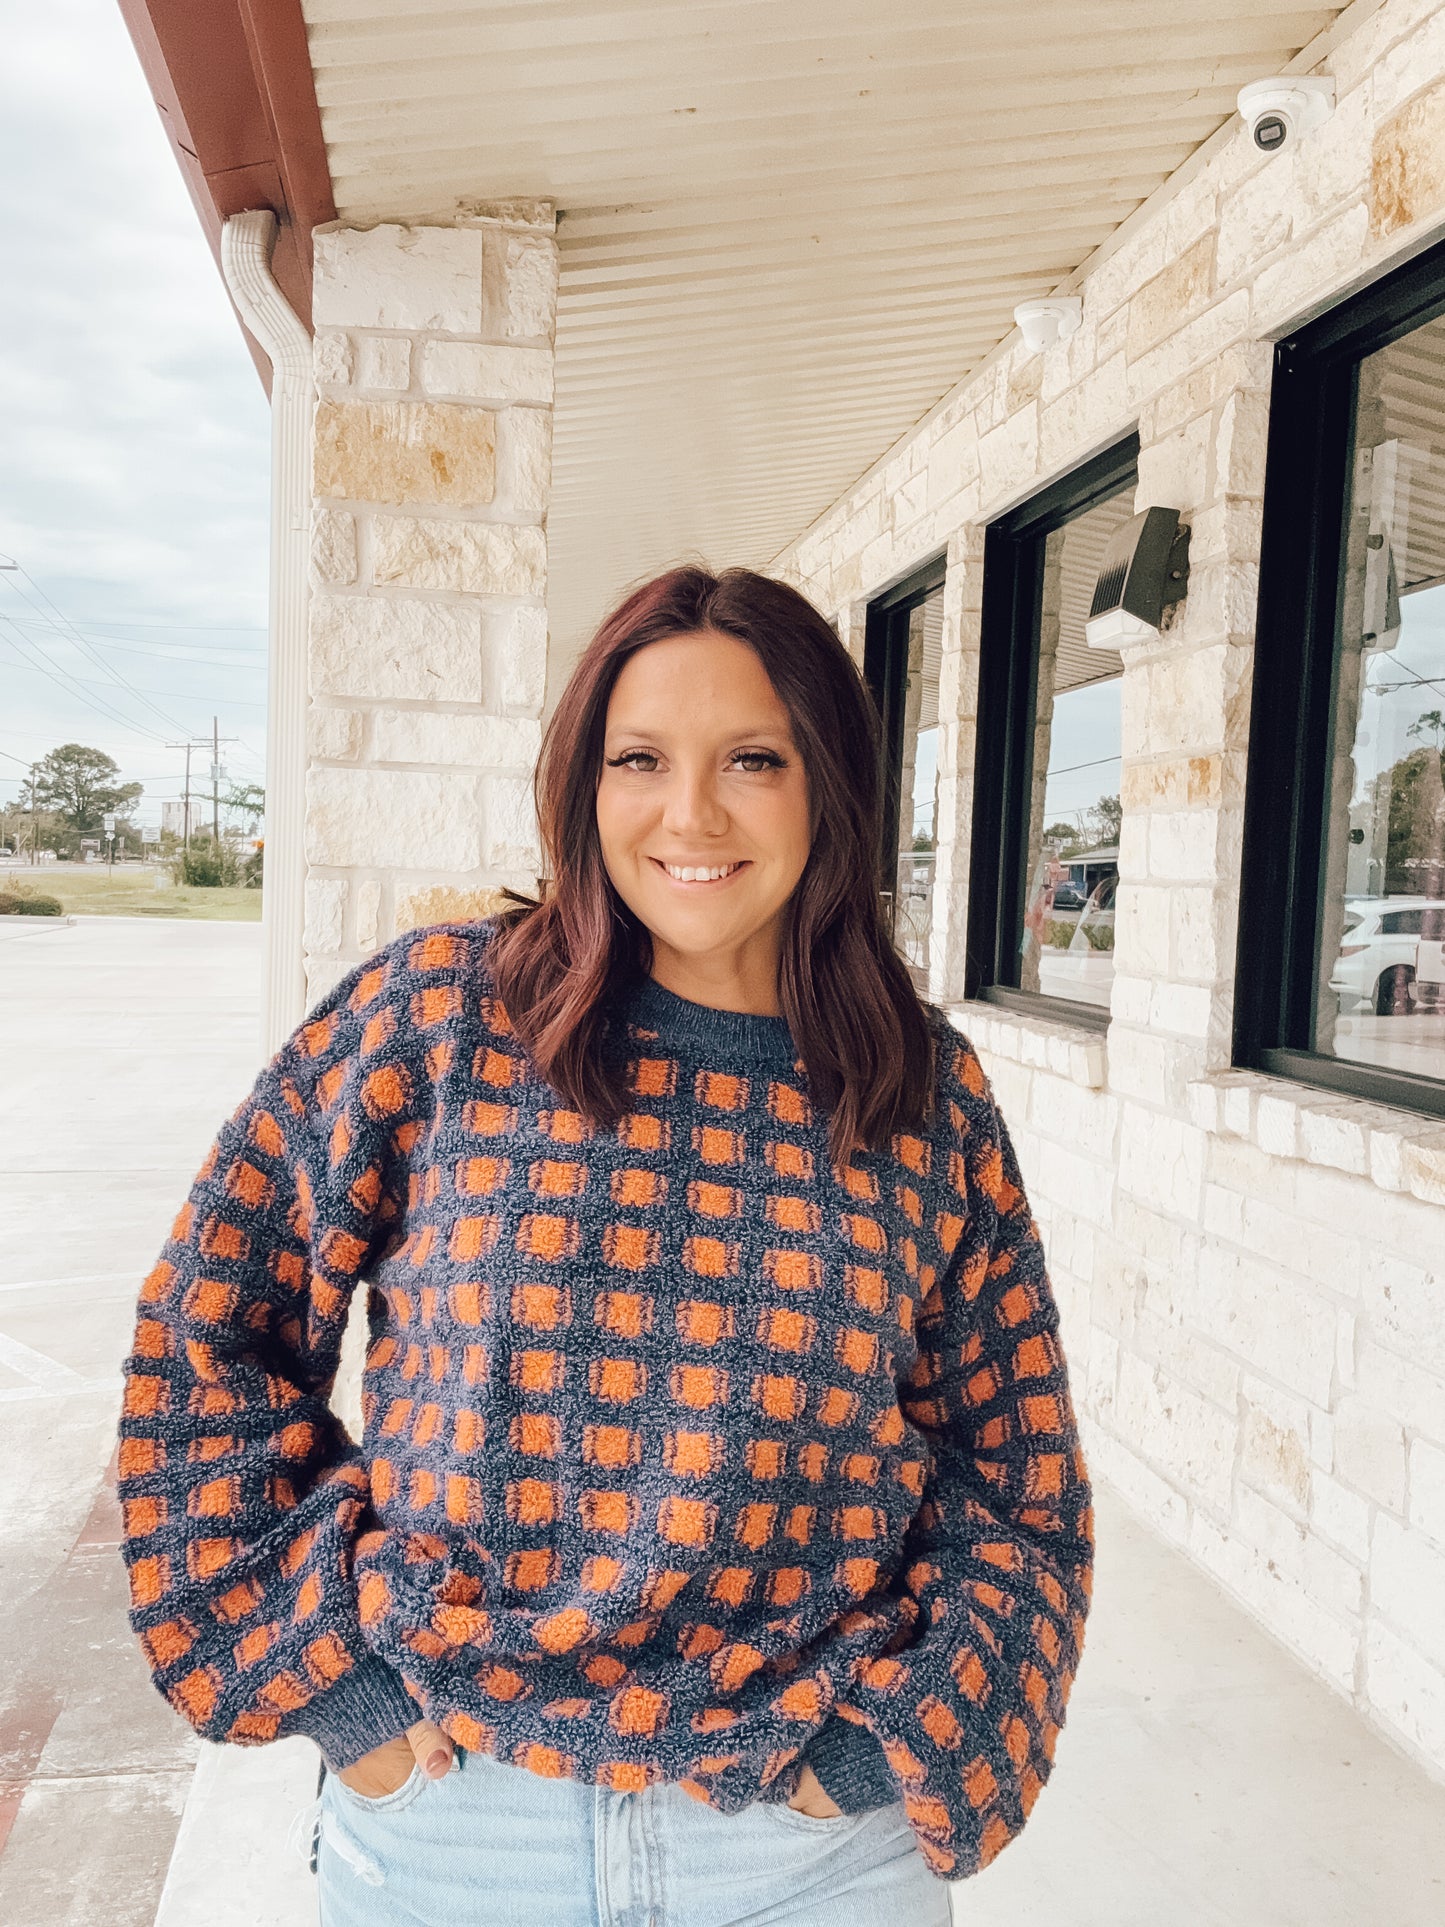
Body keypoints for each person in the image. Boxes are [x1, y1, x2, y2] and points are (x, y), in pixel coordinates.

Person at [117, 565, 1095, 1925]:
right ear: (584, 783)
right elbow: (207, 1329)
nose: (689, 813)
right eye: (640, 758)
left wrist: (888, 1742)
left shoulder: (916, 1092)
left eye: (751, 759)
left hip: (803, 1850)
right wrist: (339, 1689)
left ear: (829, 784)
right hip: (459, 1826)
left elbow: (1013, 1473)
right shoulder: (439, 1019)